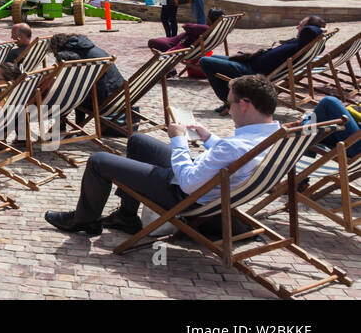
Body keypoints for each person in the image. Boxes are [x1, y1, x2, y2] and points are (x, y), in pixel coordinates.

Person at [44, 75, 283, 236]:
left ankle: (85, 220)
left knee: (98, 161)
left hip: (185, 194)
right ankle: (127, 216)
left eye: (228, 103)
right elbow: (236, 157)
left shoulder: (235, 146)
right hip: (210, 185)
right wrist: (209, 139)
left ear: (244, 105)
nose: (227, 109)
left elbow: (189, 182)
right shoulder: (274, 136)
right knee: (138, 141)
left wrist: (178, 139)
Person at [199, 16, 326, 113]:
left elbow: (311, 30)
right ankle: (233, 97)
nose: (297, 28)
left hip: (251, 70)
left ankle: (230, 102)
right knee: (214, 58)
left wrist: (319, 28)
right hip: (251, 64)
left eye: (301, 25)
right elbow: (311, 31)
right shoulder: (302, 43)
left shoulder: (305, 39)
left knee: (205, 61)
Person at [48, 32, 125, 129]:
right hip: (119, 95)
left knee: (63, 92)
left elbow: (69, 80)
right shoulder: (87, 47)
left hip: (102, 100)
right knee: (76, 89)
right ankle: (78, 125)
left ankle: (62, 127)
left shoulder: (67, 54)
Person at [148, 8, 226, 78]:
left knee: (153, 42)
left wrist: (195, 25)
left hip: (179, 45)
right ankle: (170, 69)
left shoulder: (205, 28)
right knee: (158, 41)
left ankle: (169, 69)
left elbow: (186, 26)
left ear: (209, 19)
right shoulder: (216, 31)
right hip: (179, 42)